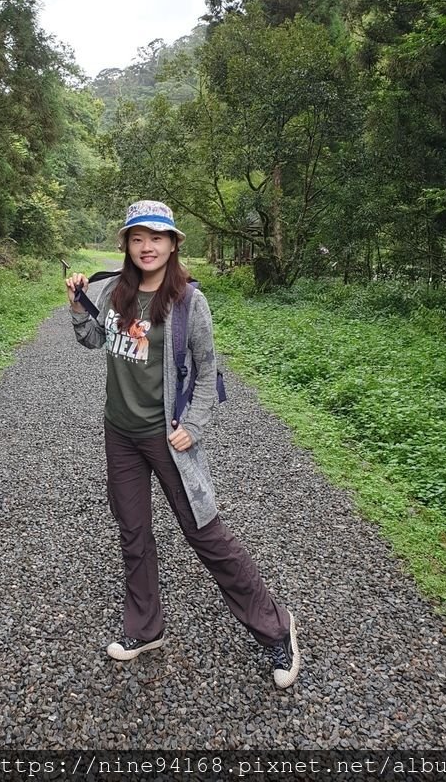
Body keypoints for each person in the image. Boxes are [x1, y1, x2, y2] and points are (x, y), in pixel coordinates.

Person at [65, 200, 300, 689]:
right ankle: (144, 629)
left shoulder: (188, 301)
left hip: (168, 438)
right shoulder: (115, 292)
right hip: (120, 433)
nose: (146, 246)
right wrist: (76, 305)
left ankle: (275, 628)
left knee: (204, 532)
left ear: (173, 244)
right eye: (137, 238)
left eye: (156, 237)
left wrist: (195, 423)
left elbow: (208, 364)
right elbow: (91, 341)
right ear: (126, 245)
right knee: (133, 532)